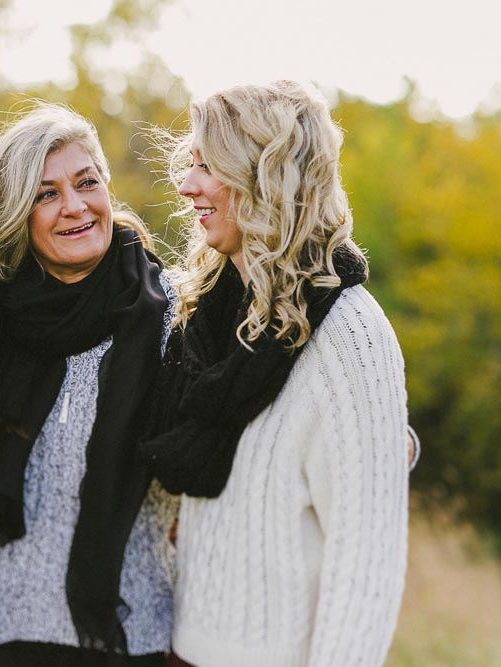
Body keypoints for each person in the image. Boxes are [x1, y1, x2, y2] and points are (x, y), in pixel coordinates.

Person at [141, 80, 410, 666]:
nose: (186, 187)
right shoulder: (210, 310)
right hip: (181, 650)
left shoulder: (349, 335)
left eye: (208, 167)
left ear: (265, 177)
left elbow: (366, 557)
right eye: (191, 164)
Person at [0, 102, 177, 666]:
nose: (75, 206)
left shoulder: (172, 312)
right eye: (46, 194)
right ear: (17, 212)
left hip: (128, 631)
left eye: (87, 183)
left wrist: (384, 441)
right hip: (5, 632)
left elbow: (255, 394)